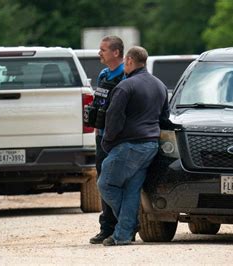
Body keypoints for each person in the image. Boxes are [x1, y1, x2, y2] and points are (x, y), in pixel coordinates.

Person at [97, 46, 169, 246]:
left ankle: (129, 225)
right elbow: (165, 118)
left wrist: (107, 143)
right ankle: (122, 236)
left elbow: (113, 119)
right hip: (151, 146)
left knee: (106, 184)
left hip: (129, 146)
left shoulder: (125, 86)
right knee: (131, 190)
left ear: (128, 61)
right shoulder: (160, 85)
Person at [87, 36, 125, 244]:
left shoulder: (125, 76)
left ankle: (123, 226)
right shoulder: (104, 74)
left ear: (116, 53)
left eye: (103, 50)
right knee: (103, 183)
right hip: (101, 137)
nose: (99, 53)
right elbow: (98, 105)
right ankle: (106, 227)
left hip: (117, 139)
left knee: (116, 183)